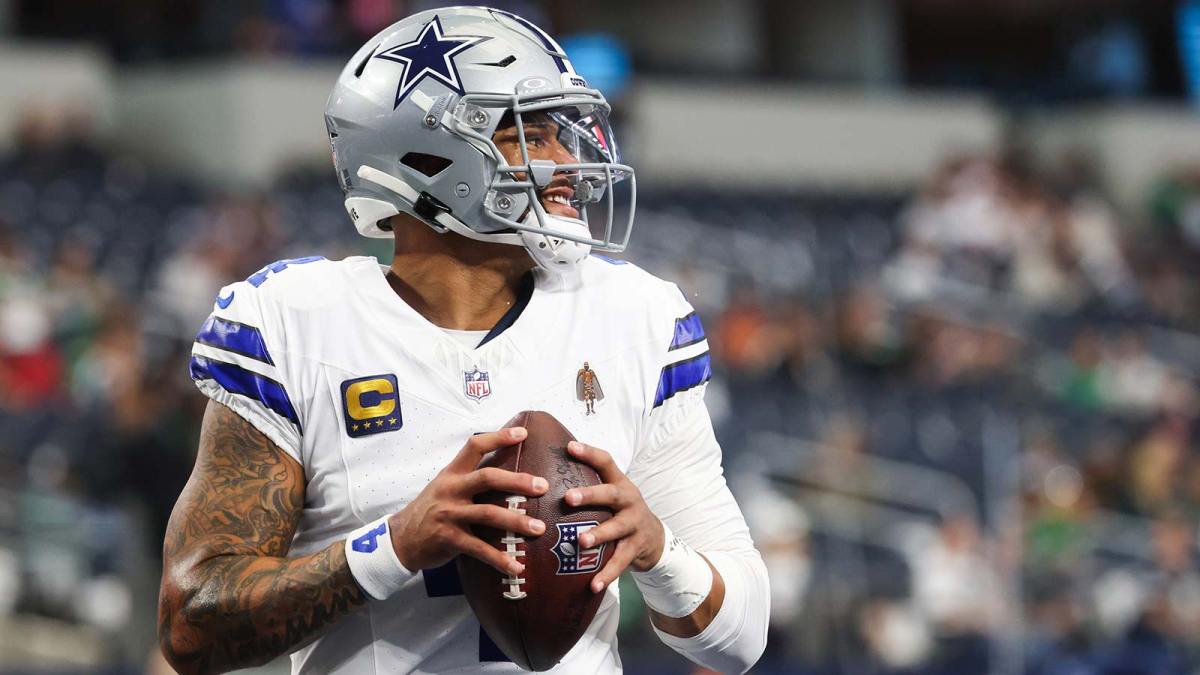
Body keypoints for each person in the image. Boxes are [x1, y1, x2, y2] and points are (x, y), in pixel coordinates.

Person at [157, 7, 768, 674]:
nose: (569, 162)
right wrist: (394, 548)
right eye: (532, 134)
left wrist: (658, 552)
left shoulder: (634, 317)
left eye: (566, 134)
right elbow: (191, 627)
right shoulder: (293, 322)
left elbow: (740, 639)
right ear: (427, 155)